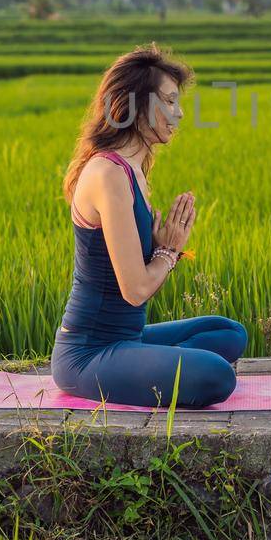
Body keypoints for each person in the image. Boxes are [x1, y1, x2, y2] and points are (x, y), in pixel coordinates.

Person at [51, 44, 247, 407]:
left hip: (129, 338)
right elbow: (136, 290)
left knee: (229, 332)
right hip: (87, 354)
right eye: (170, 102)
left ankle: (146, 363)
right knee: (217, 375)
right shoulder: (108, 174)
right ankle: (152, 366)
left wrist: (158, 247)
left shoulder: (134, 170)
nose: (181, 113)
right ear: (137, 106)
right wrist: (168, 250)